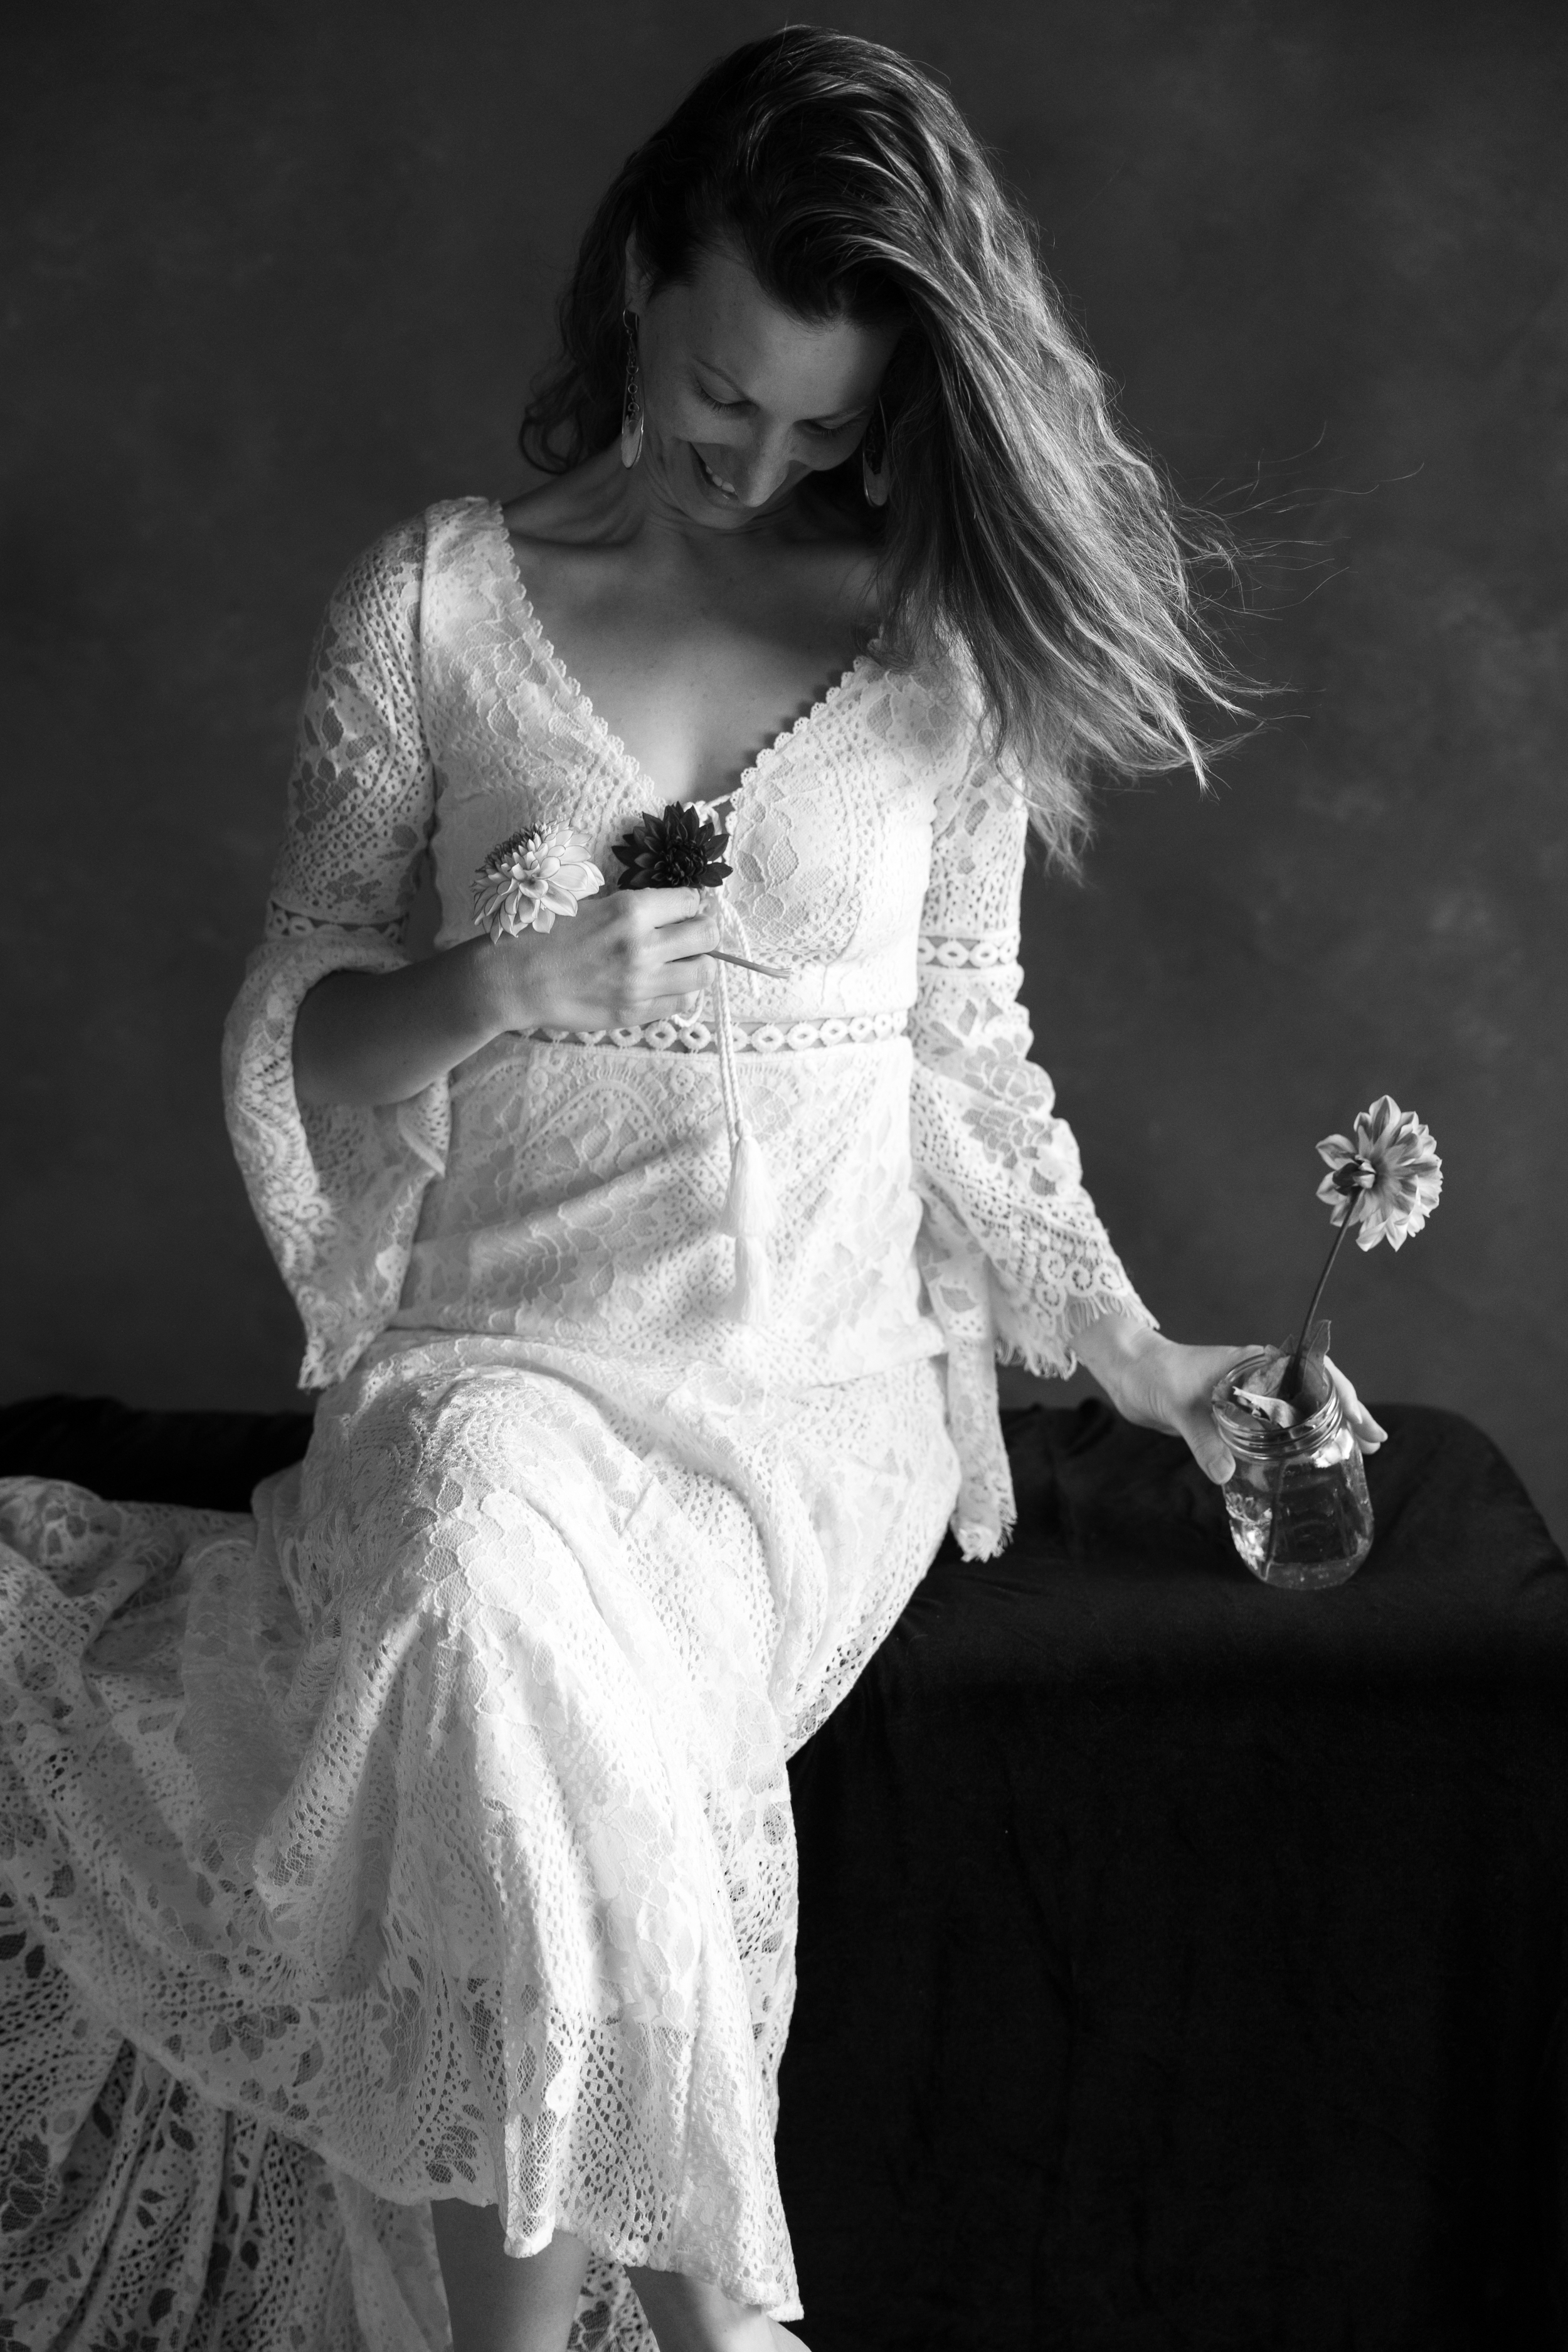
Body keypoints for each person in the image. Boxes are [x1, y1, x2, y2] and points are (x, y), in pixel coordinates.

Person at [0, 28, 1385, 2352]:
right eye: (722, 397)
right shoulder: (433, 603)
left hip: (792, 1410)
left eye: (823, 430)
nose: (759, 463)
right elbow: (310, 1022)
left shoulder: (934, 648)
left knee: (530, 1656)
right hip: (494, 1350)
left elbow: (965, 1062)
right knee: (462, 1551)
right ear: (642, 276)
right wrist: (506, 980)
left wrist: (1138, 1355)